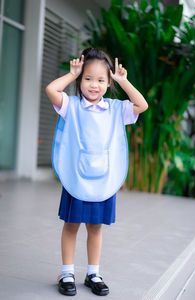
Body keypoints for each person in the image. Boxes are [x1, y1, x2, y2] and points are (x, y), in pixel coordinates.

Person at [46, 47, 148, 296]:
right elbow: (51, 90)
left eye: (101, 80)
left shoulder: (115, 109)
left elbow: (141, 105)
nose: (94, 85)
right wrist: (71, 75)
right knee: (71, 225)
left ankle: (93, 273)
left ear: (109, 82)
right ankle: (67, 272)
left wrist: (123, 82)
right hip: (77, 178)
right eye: (88, 78)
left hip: (103, 180)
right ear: (80, 79)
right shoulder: (71, 106)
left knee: (95, 227)